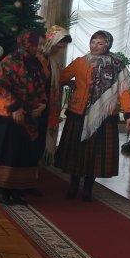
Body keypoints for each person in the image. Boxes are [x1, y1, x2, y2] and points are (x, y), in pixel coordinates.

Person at [55, 31, 130, 201]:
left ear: (108, 45)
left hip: (104, 117)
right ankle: (74, 185)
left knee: (95, 154)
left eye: (100, 43)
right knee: (76, 152)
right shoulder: (80, 62)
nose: (95, 46)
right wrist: (67, 81)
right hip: (78, 113)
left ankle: (88, 188)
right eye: (93, 41)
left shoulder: (117, 65)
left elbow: (124, 92)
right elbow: (60, 77)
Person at [0, 30, 49, 205]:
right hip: (6, 115)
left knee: (21, 155)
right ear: (28, 43)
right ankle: (3, 191)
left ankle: (17, 190)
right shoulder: (10, 61)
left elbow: (41, 88)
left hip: (29, 114)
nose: (41, 48)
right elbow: (2, 88)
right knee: (7, 154)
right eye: (39, 44)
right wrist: (16, 108)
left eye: (42, 44)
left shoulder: (37, 63)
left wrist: (42, 105)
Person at [40, 25, 72, 165]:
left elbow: (56, 79)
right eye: (57, 46)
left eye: (61, 48)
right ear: (50, 40)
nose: (57, 50)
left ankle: (44, 158)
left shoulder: (53, 60)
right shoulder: (38, 57)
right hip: (37, 100)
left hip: (49, 101)